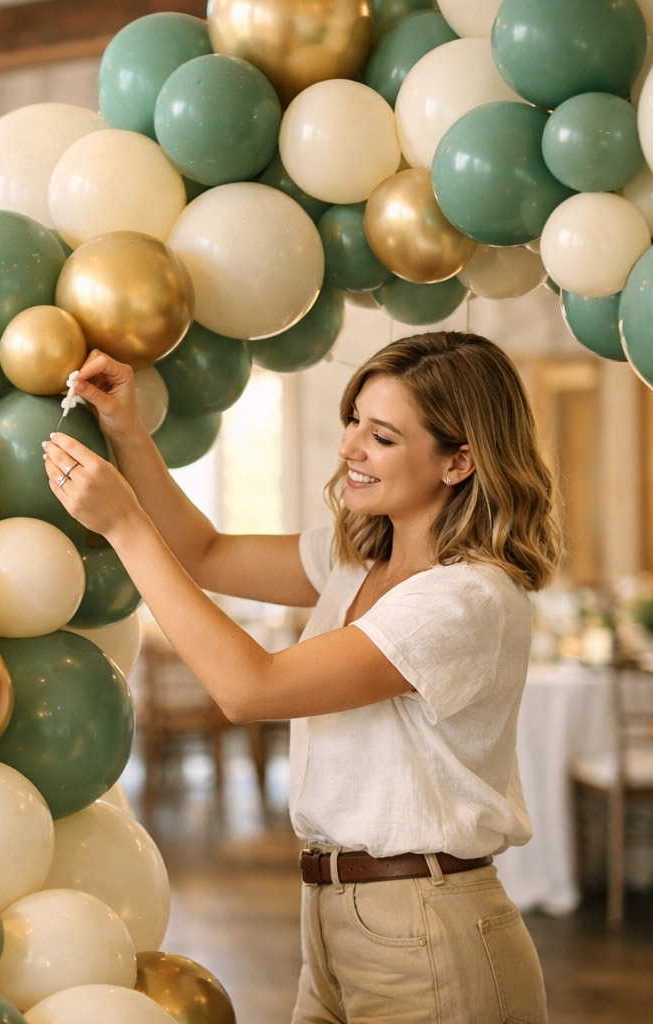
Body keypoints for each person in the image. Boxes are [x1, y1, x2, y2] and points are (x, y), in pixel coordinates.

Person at [41, 331, 560, 1024]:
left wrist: (124, 525)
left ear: (459, 460)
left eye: (381, 436)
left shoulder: (467, 600)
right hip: (331, 917)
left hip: (428, 928)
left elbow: (251, 689)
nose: (349, 448)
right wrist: (127, 431)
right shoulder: (354, 559)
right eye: (353, 422)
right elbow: (205, 552)